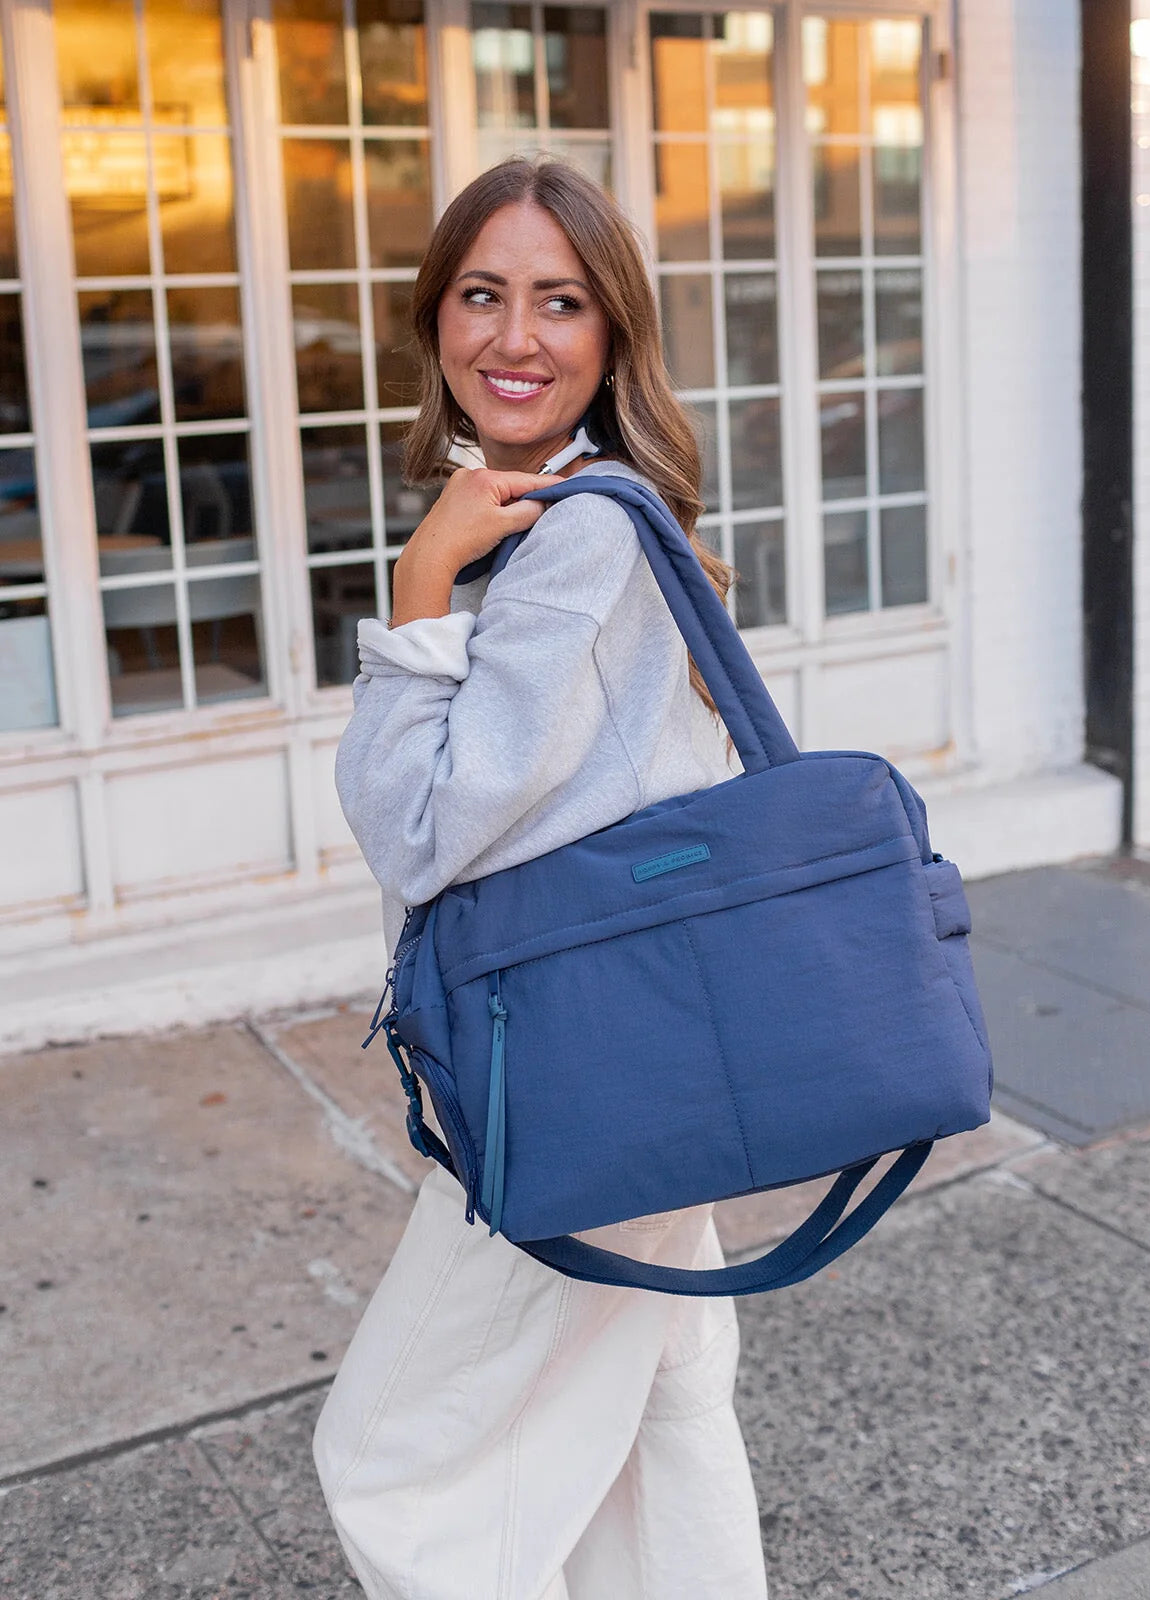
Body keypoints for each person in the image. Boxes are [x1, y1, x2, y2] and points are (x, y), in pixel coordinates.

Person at [314, 156, 769, 1600]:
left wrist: (416, 595)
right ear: (435, 320)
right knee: (660, 1419)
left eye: (560, 302)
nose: (515, 338)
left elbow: (427, 831)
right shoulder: (621, 511)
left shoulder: (571, 535)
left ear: (612, 330)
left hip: (572, 1074)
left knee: (396, 1461)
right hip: (663, 1054)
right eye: (482, 296)